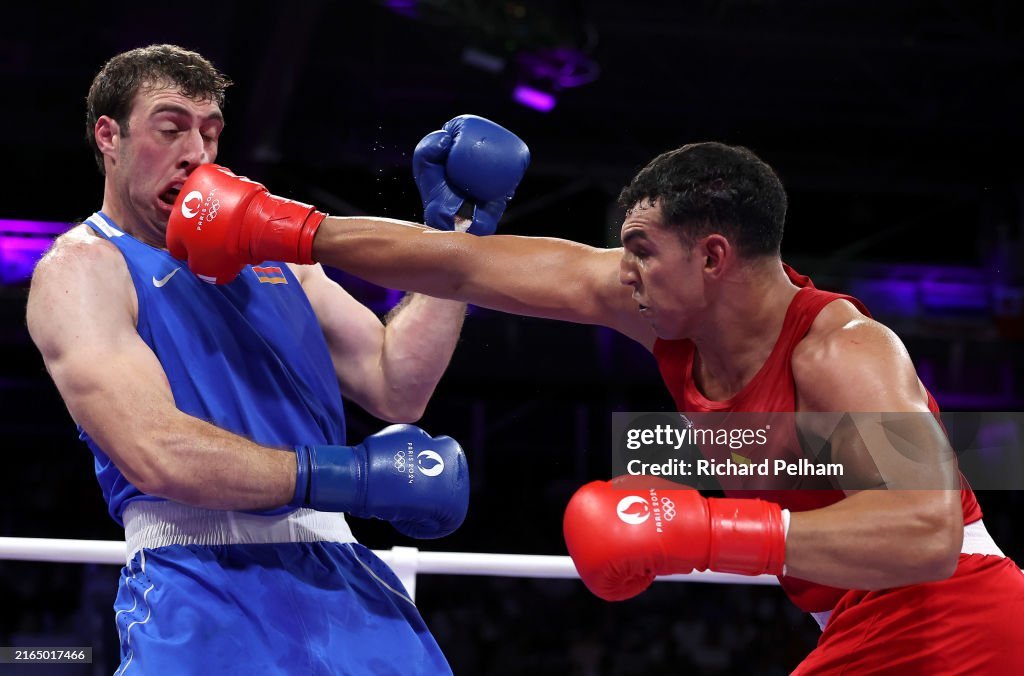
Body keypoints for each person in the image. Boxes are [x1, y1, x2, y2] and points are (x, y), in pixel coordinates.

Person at [168, 119, 1024, 672]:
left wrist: (704, 530)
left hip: (952, 617)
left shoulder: (842, 350)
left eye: (643, 250)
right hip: (861, 625)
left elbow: (927, 528)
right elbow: (463, 266)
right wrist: (286, 228)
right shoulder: (660, 311)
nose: (625, 270)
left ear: (714, 258)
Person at [25, 46, 526, 674]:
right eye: (171, 128)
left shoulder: (274, 256)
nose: (197, 154)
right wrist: (350, 476)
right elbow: (155, 451)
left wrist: (456, 241)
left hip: (341, 576)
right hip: (197, 580)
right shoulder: (82, 269)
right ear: (109, 136)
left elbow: (396, 383)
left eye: (209, 133)